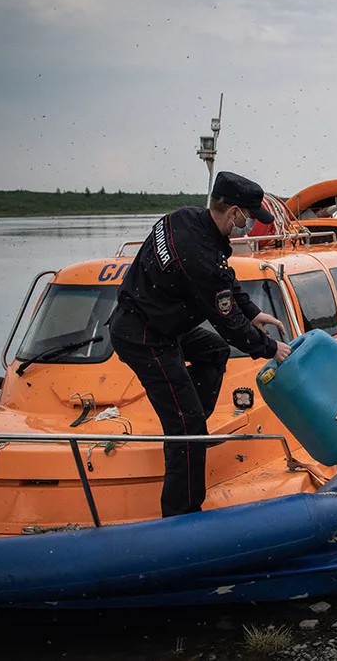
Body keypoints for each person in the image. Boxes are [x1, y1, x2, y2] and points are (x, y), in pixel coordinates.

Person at [109, 171, 292, 517]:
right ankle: (182, 513)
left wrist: (253, 312)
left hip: (156, 320)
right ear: (234, 211)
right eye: (249, 217)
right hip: (145, 336)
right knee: (187, 428)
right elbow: (229, 324)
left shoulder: (187, 219)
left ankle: (186, 415)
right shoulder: (199, 257)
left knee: (213, 353)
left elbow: (225, 277)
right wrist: (271, 349)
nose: (250, 224)